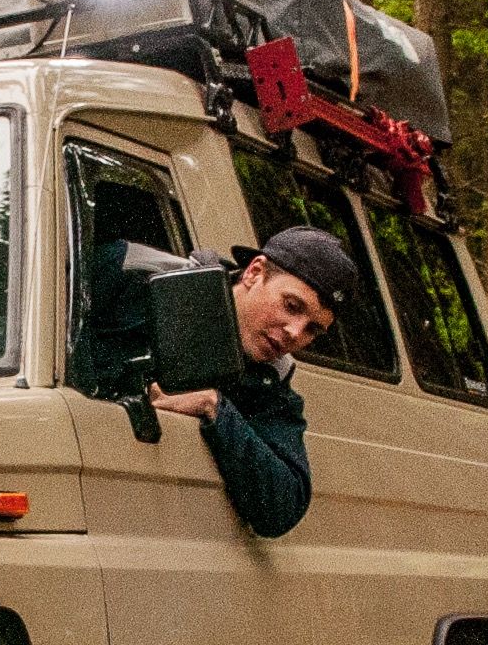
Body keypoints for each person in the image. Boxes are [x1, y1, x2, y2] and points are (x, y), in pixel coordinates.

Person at [143, 225, 362, 540]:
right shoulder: (150, 286)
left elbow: (284, 506)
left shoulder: (270, 384)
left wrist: (215, 407)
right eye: (292, 306)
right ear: (254, 272)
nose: (295, 333)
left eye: (313, 329)